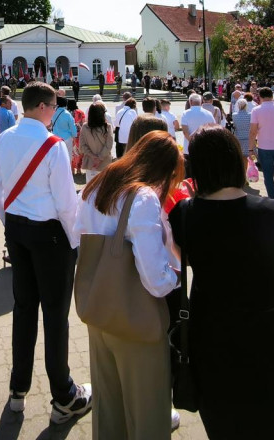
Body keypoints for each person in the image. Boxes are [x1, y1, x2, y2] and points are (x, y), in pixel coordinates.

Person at [171, 127, 274, 438]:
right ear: (239, 162)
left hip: (210, 335)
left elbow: (174, 264)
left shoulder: (183, 215)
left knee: (223, 422)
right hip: (270, 331)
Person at [0, 82, 91, 424]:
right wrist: (74, 241)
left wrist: (11, 222)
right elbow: (66, 203)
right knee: (55, 317)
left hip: (17, 230)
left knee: (23, 309)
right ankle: (63, 395)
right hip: (50, 236)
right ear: (46, 107)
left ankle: (18, 389)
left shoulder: (4, 138)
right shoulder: (52, 145)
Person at [76, 131, 181, 439]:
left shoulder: (99, 184)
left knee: (109, 412)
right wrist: (177, 276)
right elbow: (155, 279)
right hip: (137, 319)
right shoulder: (143, 196)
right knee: (147, 414)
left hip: (99, 310)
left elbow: (79, 233)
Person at [79, 103, 113, 183]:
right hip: (105, 162)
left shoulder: (85, 127)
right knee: (103, 190)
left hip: (90, 162)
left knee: (90, 189)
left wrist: (93, 157)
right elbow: (109, 146)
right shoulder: (107, 127)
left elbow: (82, 146)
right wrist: (99, 158)